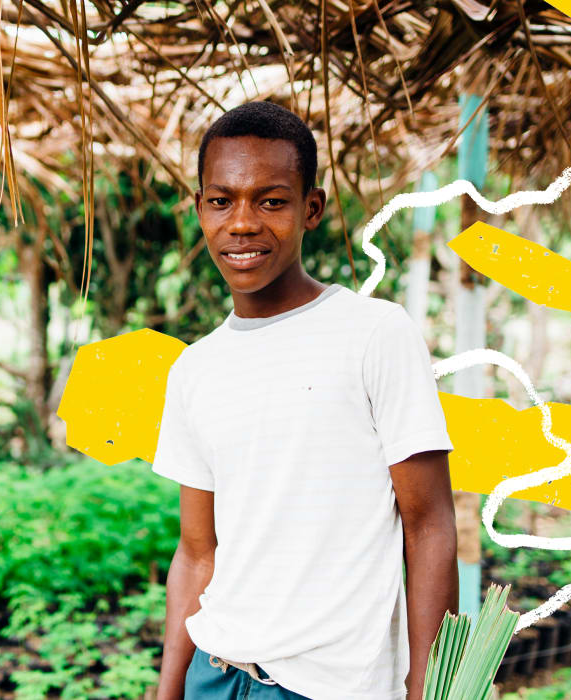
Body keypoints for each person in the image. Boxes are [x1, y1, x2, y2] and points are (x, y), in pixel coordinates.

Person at [152, 101, 459, 700]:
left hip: (330, 687)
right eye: (221, 200)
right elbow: (195, 554)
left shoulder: (375, 333)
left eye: (271, 200)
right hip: (214, 675)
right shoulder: (195, 368)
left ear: (310, 208)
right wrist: (165, 693)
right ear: (200, 210)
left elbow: (429, 527)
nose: (242, 223)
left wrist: (429, 691)